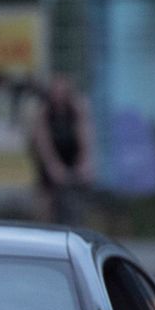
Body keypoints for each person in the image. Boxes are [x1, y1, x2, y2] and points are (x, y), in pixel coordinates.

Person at [30, 73, 94, 224]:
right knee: (47, 199)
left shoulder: (76, 108)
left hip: (70, 155)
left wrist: (84, 162)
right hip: (51, 158)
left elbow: (84, 136)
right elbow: (43, 143)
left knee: (78, 195)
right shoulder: (45, 112)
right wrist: (53, 166)